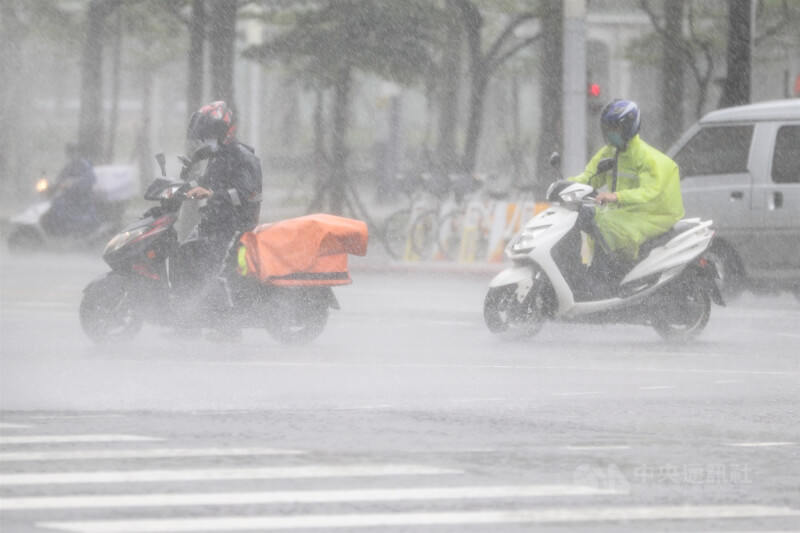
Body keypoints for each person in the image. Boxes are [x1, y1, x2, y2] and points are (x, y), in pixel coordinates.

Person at [568, 99, 684, 288]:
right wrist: (565, 186)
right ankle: (584, 274)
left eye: (615, 128)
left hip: (650, 216)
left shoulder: (646, 158)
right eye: (608, 128)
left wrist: (616, 196)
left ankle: (603, 281)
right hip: (623, 213)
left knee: (600, 222)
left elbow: (649, 192)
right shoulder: (609, 152)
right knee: (583, 216)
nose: (611, 133)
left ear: (629, 127)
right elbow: (590, 176)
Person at [172, 101, 263, 341]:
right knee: (185, 258)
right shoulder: (218, 158)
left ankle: (230, 328)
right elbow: (203, 182)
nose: (206, 141)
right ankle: (189, 321)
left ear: (225, 133)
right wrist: (179, 188)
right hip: (214, 223)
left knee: (217, 269)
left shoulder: (244, 158)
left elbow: (246, 194)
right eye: (204, 137)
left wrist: (213, 195)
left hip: (236, 226)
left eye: (210, 135)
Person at [41, 143, 98, 237]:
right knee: (55, 204)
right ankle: (58, 231)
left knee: (59, 206)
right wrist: (52, 186)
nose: (71, 154)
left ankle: (69, 231)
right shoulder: (70, 165)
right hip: (70, 195)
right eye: (69, 152)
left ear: (77, 152)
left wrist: (73, 184)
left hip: (81, 197)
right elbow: (61, 178)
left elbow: (89, 179)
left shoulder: (83, 164)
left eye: (73, 151)